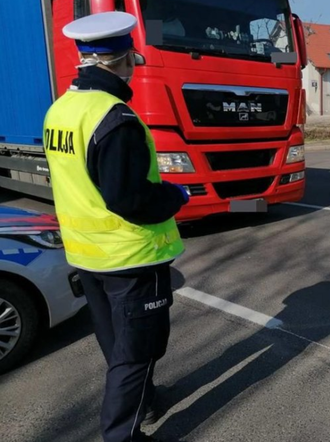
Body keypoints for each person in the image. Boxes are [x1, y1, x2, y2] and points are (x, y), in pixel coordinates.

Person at [43, 12, 189, 442]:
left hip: (87, 253)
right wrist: (176, 197)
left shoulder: (61, 109)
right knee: (137, 352)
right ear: (123, 59)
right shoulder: (115, 117)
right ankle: (121, 434)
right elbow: (128, 199)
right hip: (130, 257)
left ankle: (146, 400)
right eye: (133, 58)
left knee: (115, 341)